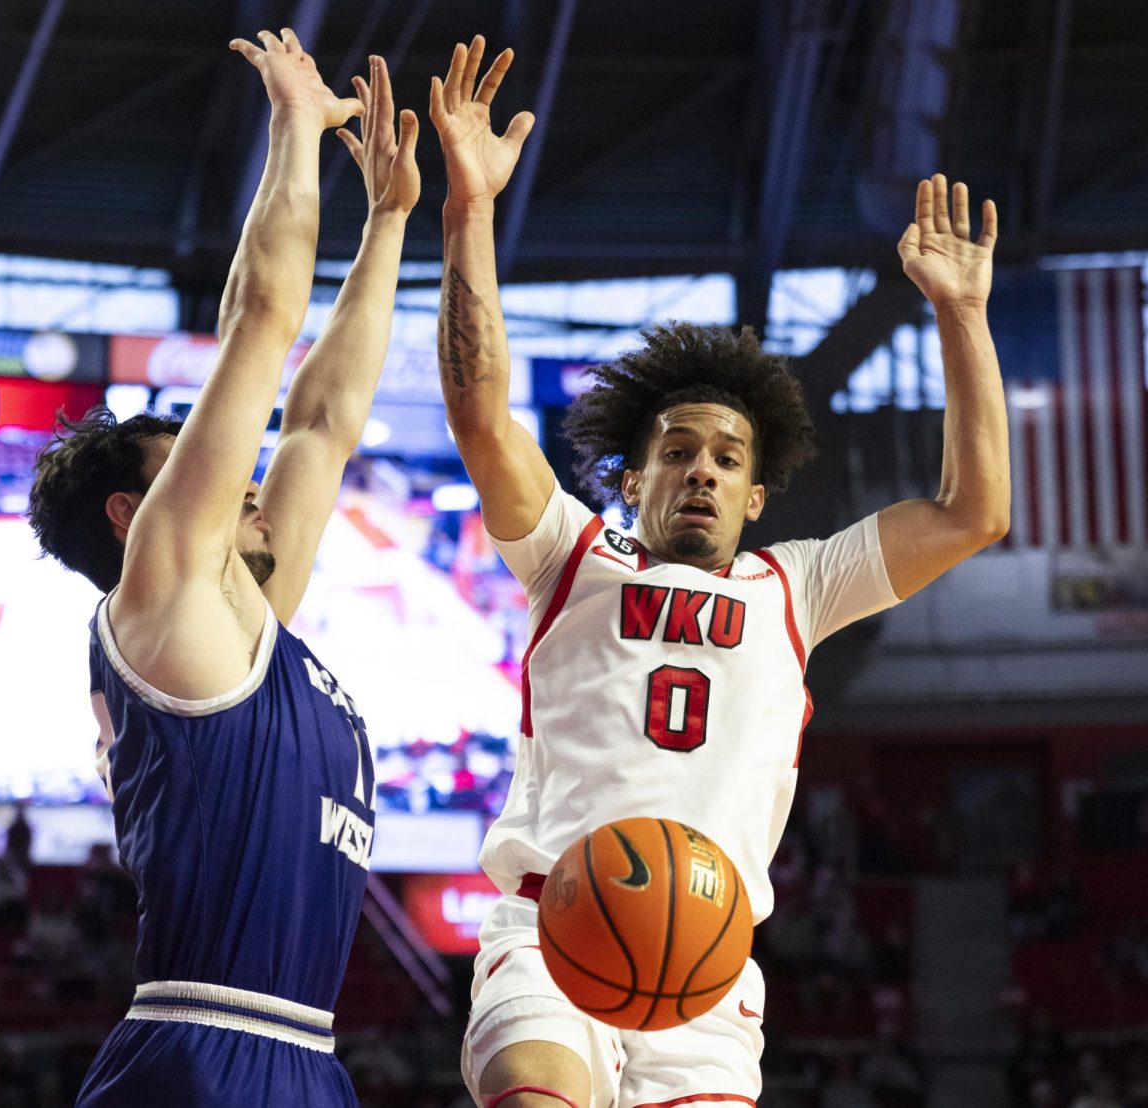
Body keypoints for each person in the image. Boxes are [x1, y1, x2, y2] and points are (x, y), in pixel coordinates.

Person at [429, 35, 1009, 1108]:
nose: (702, 470)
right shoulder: (571, 556)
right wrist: (469, 207)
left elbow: (973, 511)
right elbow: (477, 411)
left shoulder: (796, 586)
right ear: (632, 477)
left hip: (702, 968)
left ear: (756, 497)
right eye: (680, 450)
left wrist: (961, 317)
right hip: (556, 924)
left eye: (728, 459)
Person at [27, 28, 419, 1105]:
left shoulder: (246, 613)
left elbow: (324, 424)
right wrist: (295, 131)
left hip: (302, 1054)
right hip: (202, 1048)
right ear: (132, 512)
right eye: (207, 468)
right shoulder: (162, 593)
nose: (249, 483)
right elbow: (260, 319)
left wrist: (389, 218)